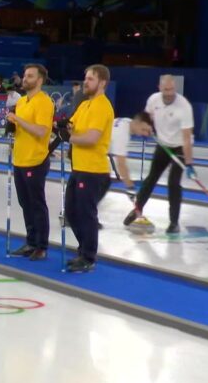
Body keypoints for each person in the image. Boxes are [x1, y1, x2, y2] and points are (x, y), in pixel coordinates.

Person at [125, 75, 196, 234]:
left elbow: (186, 137)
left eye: (171, 90)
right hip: (163, 144)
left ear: (175, 88)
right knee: (151, 179)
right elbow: (147, 117)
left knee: (173, 183)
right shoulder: (153, 100)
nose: (169, 93)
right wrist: (146, 127)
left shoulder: (184, 106)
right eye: (165, 90)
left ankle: (174, 222)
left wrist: (189, 163)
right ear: (159, 88)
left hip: (180, 147)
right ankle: (137, 210)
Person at [63, 65, 116, 273]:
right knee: (71, 212)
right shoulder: (85, 105)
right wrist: (65, 127)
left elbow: (92, 138)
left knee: (86, 214)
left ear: (102, 83)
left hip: (93, 170)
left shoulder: (102, 106)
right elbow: (71, 125)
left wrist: (70, 137)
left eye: (90, 79)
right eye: (85, 78)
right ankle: (83, 249)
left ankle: (88, 256)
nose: (86, 82)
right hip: (79, 168)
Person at [6, 63, 54, 261]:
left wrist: (18, 120)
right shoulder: (22, 101)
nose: (25, 79)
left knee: (37, 204)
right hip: (20, 158)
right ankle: (31, 241)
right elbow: (21, 130)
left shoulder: (44, 102)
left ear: (39, 80)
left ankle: (41, 246)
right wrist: (11, 127)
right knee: (25, 203)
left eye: (30, 76)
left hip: (35, 160)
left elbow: (41, 131)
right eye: (25, 75)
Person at [109, 111, 154, 201]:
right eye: (143, 129)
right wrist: (130, 187)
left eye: (147, 131)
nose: (145, 134)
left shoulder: (127, 122)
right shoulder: (122, 134)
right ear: (137, 122)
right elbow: (121, 164)